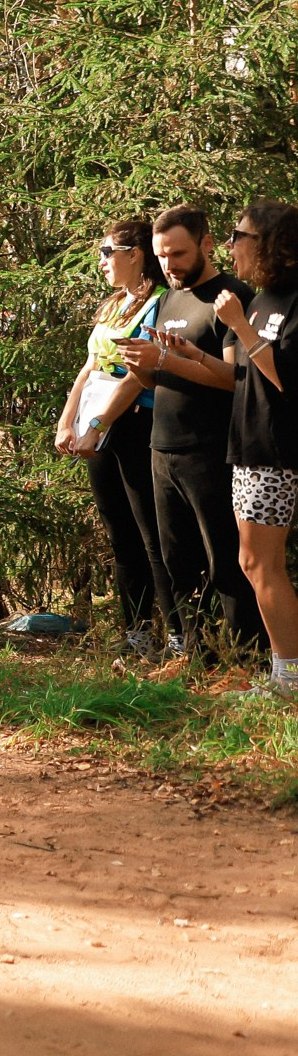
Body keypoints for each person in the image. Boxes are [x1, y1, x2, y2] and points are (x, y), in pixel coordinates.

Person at [120, 204, 265, 660]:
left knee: (226, 563)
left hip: (213, 449)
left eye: (178, 254)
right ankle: (197, 660)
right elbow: (155, 380)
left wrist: (166, 362)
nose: (169, 265)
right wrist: (142, 368)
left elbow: (234, 379)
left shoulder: (231, 295)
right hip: (162, 447)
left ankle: (246, 661)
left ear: (206, 244)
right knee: (177, 563)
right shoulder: (166, 299)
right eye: (161, 256)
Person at [54, 219, 171, 657]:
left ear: (135, 253)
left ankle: (178, 635)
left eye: (107, 252)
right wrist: (69, 423)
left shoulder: (161, 302)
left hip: (136, 424)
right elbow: (90, 367)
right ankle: (137, 634)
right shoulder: (112, 305)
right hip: (98, 428)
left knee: (151, 535)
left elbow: (138, 377)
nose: (101, 260)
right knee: (120, 534)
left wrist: (99, 426)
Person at [215, 202, 298, 695]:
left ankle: (289, 676)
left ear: (270, 242)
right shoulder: (260, 298)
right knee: (255, 563)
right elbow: (244, 374)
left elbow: (286, 379)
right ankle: (284, 672)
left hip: (279, 449)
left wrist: (241, 327)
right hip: (249, 444)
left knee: (260, 564)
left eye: (238, 235)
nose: (231, 246)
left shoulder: (293, 301)